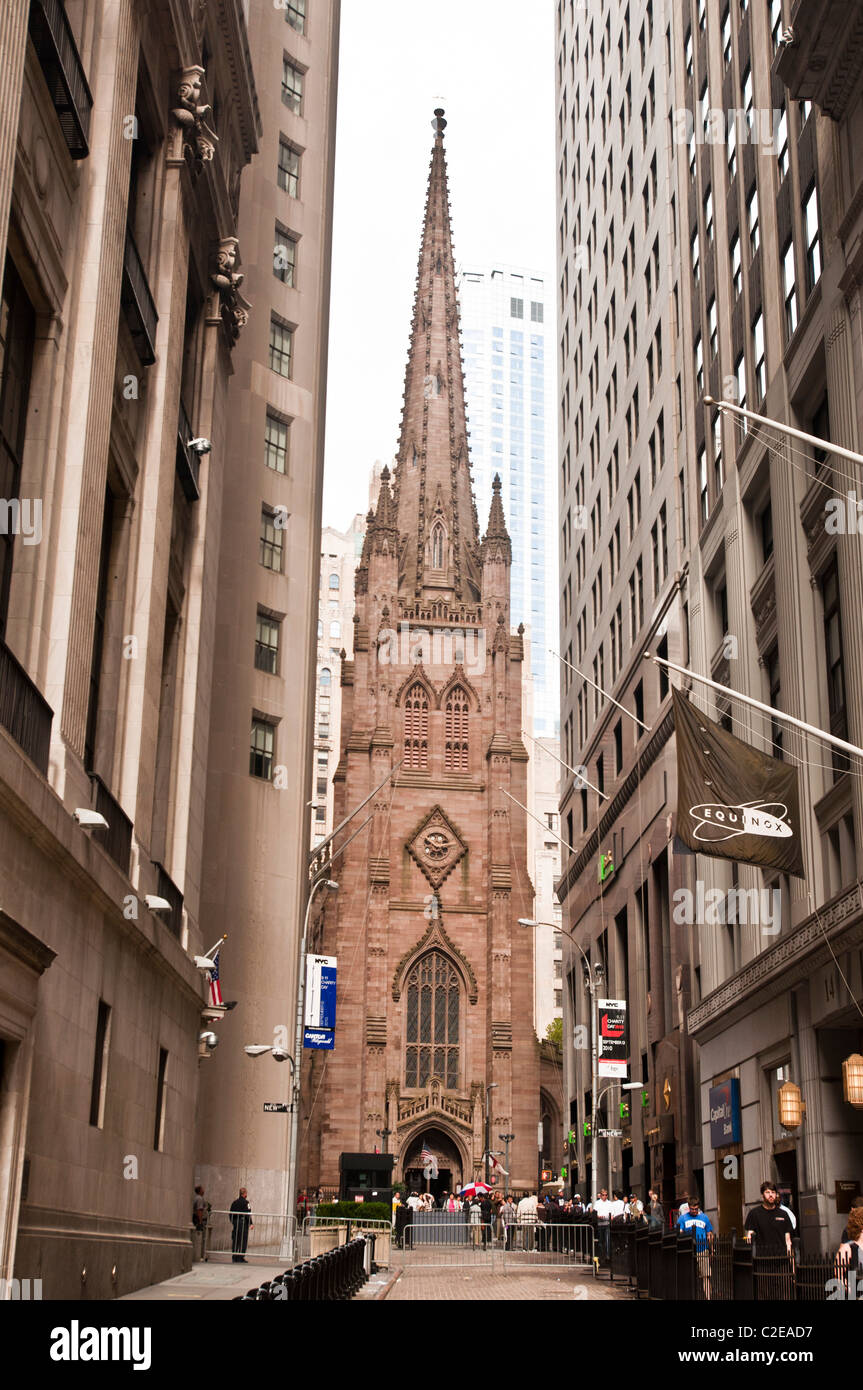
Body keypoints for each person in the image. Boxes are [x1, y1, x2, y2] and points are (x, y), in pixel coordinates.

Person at [744, 1182, 793, 1254]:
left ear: (776, 1195)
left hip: (781, 1258)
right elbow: (749, 1238)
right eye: (767, 1192)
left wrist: (791, 1261)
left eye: (773, 1192)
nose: (770, 1195)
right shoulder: (754, 1214)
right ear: (762, 1195)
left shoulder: (783, 1214)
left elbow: (788, 1240)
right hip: (762, 1259)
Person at [229, 1187, 253, 1263]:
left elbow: (230, 1214)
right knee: (243, 1240)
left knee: (236, 1240)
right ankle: (240, 1257)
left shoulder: (234, 1203)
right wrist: (250, 1223)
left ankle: (234, 1257)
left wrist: (233, 1222)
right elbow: (248, 1214)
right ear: (245, 1194)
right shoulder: (246, 1203)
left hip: (236, 1223)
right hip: (243, 1224)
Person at [592, 1187, 613, 1262]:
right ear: (600, 1195)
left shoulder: (609, 1203)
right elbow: (595, 1213)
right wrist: (599, 1216)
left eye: (606, 1195)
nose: (604, 1196)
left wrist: (611, 1218)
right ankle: (601, 1255)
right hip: (600, 1224)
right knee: (601, 1241)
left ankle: (607, 1255)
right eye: (603, 1195)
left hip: (607, 1223)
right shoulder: (597, 1203)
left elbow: (611, 1213)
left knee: (607, 1240)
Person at [192, 1185, 209, 1262]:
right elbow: (199, 1210)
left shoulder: (198, 1198)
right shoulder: (199, 1199)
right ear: (200, 1190)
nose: (204, 1190)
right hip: (200, 1220)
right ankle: (200, 1255)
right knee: (201, 1238)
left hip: (200, 1220)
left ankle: (200, 1255)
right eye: (202, 1189)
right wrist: (200, 1221)